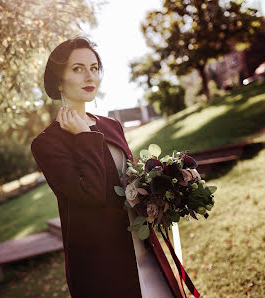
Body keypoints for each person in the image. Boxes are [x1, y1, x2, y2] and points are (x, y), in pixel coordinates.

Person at [31, 37, 184, 298]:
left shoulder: (111, 125)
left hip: (144, 250)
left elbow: (132, 183)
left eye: (93, 68)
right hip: (103, 267)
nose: (89, 76)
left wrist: (163, 192)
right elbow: (91, 194)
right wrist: (83, 136)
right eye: (77, 69)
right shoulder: (47, 143)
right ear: (58, 80)